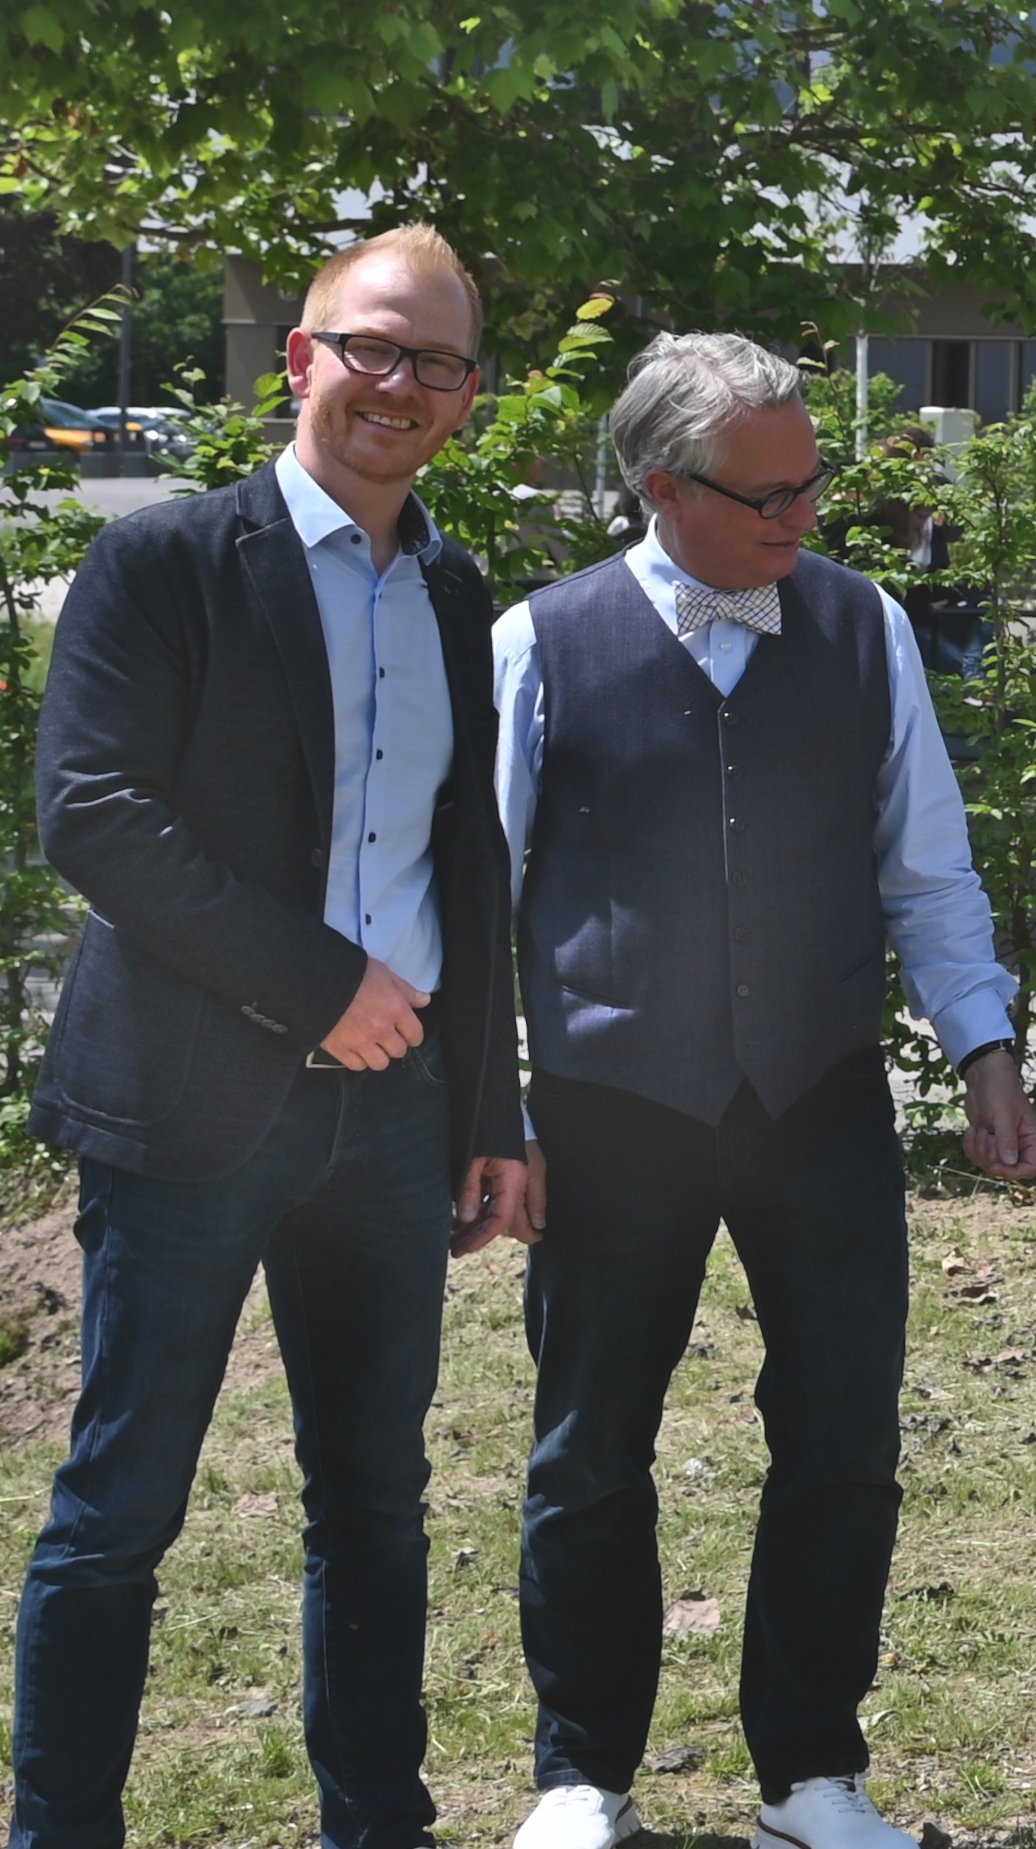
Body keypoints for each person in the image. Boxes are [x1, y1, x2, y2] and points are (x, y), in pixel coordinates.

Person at [492, 332, 1036, 1849]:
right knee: (592, 1443)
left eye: (815, 485)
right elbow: (485, 899)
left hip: (819, 1097)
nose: (804, 518)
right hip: (614, 1108)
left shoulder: (864, 630)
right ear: (662, 487)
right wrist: (498, 1109)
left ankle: (812, 1776)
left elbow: (926, 863)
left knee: (843, 1434)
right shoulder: (540, 644)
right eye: (771, 495)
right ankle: (580, 1776)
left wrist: (983, 1045)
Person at [15, 222, 532, 1849]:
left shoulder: (455, 587)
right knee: (122, 1506)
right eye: (370, 346)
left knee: (376, 1504)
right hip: (186, 1104)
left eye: (436, 362)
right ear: (298, 358)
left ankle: (377, 1821)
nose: (399, 383)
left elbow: (471, 859)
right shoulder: (163, 561)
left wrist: (490, 1104)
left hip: (390, 1124)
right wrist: (317, 981)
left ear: (465, 399)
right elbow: (92, 812)